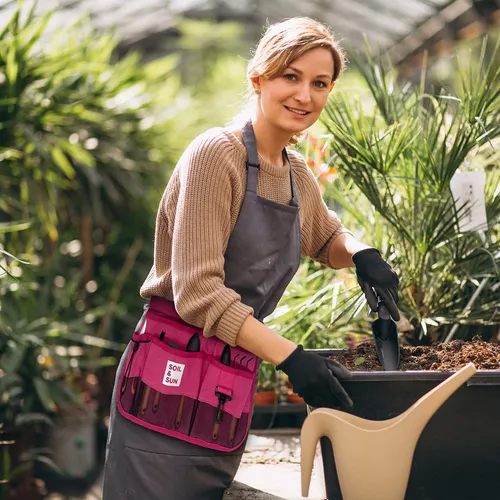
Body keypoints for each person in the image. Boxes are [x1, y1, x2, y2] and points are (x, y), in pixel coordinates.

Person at [102, 16, 399, 500]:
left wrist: (360, 252)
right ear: (258, 78)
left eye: (319, 84)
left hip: (224, 385)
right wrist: (291, 357)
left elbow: (325, 237)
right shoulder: (215, 155)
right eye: (291, 76)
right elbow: (197, 293)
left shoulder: (295, 171)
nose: (305, 95)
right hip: (171, 372)